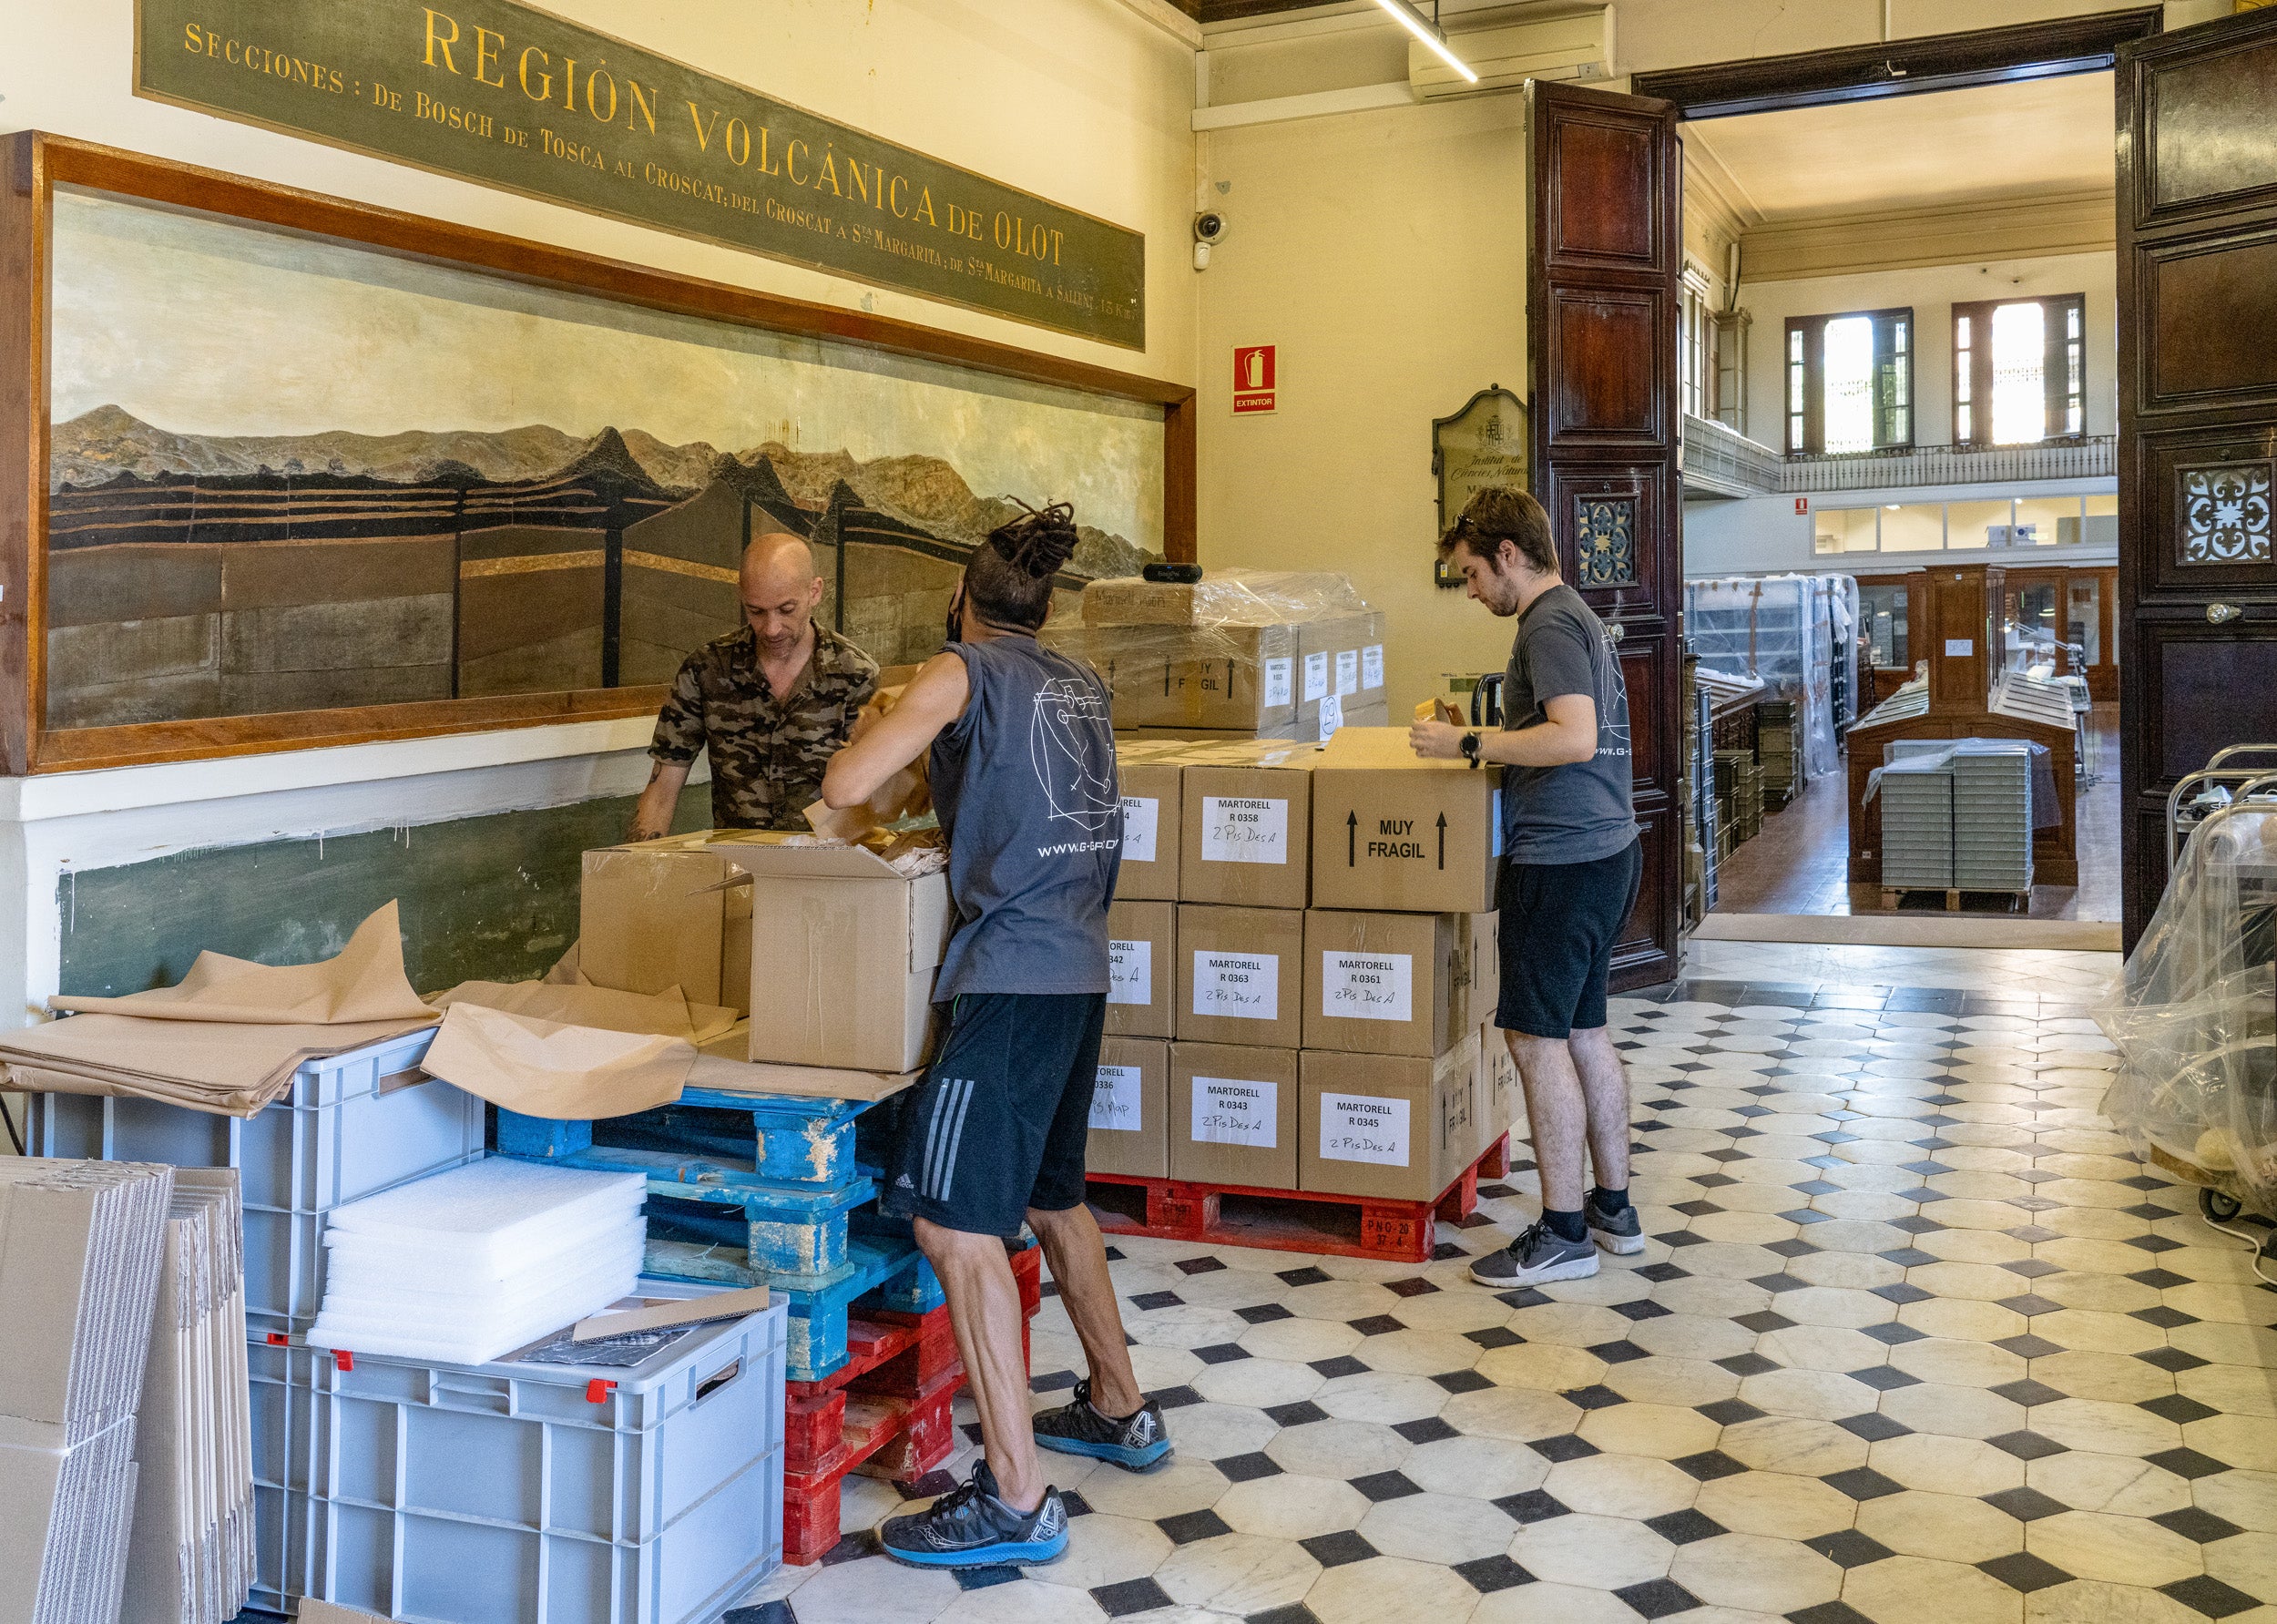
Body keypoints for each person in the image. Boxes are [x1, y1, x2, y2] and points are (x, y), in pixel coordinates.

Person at [819, 501, 1167, 1569]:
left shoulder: (959, 668)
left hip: (1007, 979)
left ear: (962, 603)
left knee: (954, 1227)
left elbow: (845, 784)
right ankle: (1117, 1403)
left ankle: (1015, 1495)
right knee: (1053, 1197)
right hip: (1078, 970)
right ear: (1046, 605)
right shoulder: (1080, 684)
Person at [1412, 485, 1644, 1288]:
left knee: (1537, 1039)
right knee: (1584, 1032)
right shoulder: (1577, 614)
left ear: (1508, 555)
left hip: (1564, 858)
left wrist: (1466, 742)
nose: (1473, 592)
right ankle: (1612, 1208)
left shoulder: (1545, 622)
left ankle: (1564, 1230)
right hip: (1608, 849)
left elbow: (1573, 736)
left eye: (1473, 574)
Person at [630, 530, 877, 839]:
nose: (771, 629)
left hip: (827, 869)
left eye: (786, 609)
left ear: (814, 592)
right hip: (738, 866)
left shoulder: (855, 674)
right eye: (756, 611)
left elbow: (870, 797)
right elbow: (662, 790)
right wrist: (639, 871)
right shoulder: (706, 669)